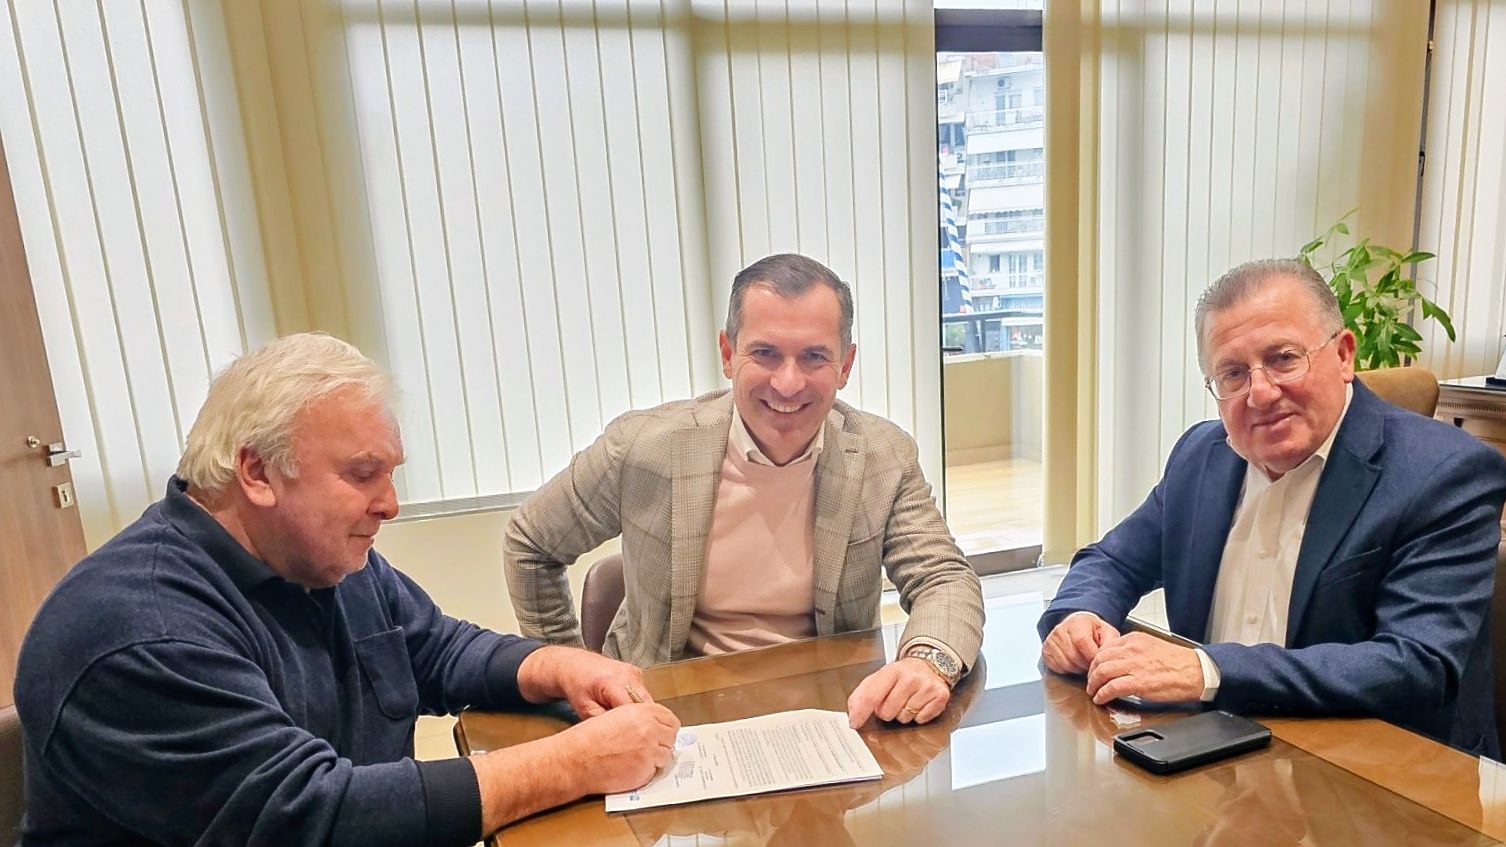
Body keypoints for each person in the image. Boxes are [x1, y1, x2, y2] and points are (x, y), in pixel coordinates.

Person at [13, 333, 680, 846]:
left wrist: (558, 664)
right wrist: (573, 763)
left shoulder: (319, 559)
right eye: (363, 474)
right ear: (257, 472)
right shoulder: (138, 631)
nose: (389, 504)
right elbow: (312, 817)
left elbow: (435, 648)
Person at [1038, 258, 1506, 755]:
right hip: (1213, 753)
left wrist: (1208, 670)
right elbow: (1113, 560)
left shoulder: (1444, 473)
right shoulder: (1202, 456)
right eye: (1233, 374)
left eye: (1284, 358)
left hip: (1385, 771)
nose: (1260, 393)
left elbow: (1416, 663)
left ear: (1343, 355)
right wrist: (1079, 615)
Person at [506, 253, 985, 729]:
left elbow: (943, 577)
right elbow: (531, 544)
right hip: (666, 717)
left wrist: (928, 662)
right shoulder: (642, 448)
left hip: (830, 719)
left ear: (845, 365)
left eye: (814, 356)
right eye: (765, 353)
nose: (788, 383)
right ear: (728, 354)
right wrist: (570, 673)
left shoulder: (884, 457)